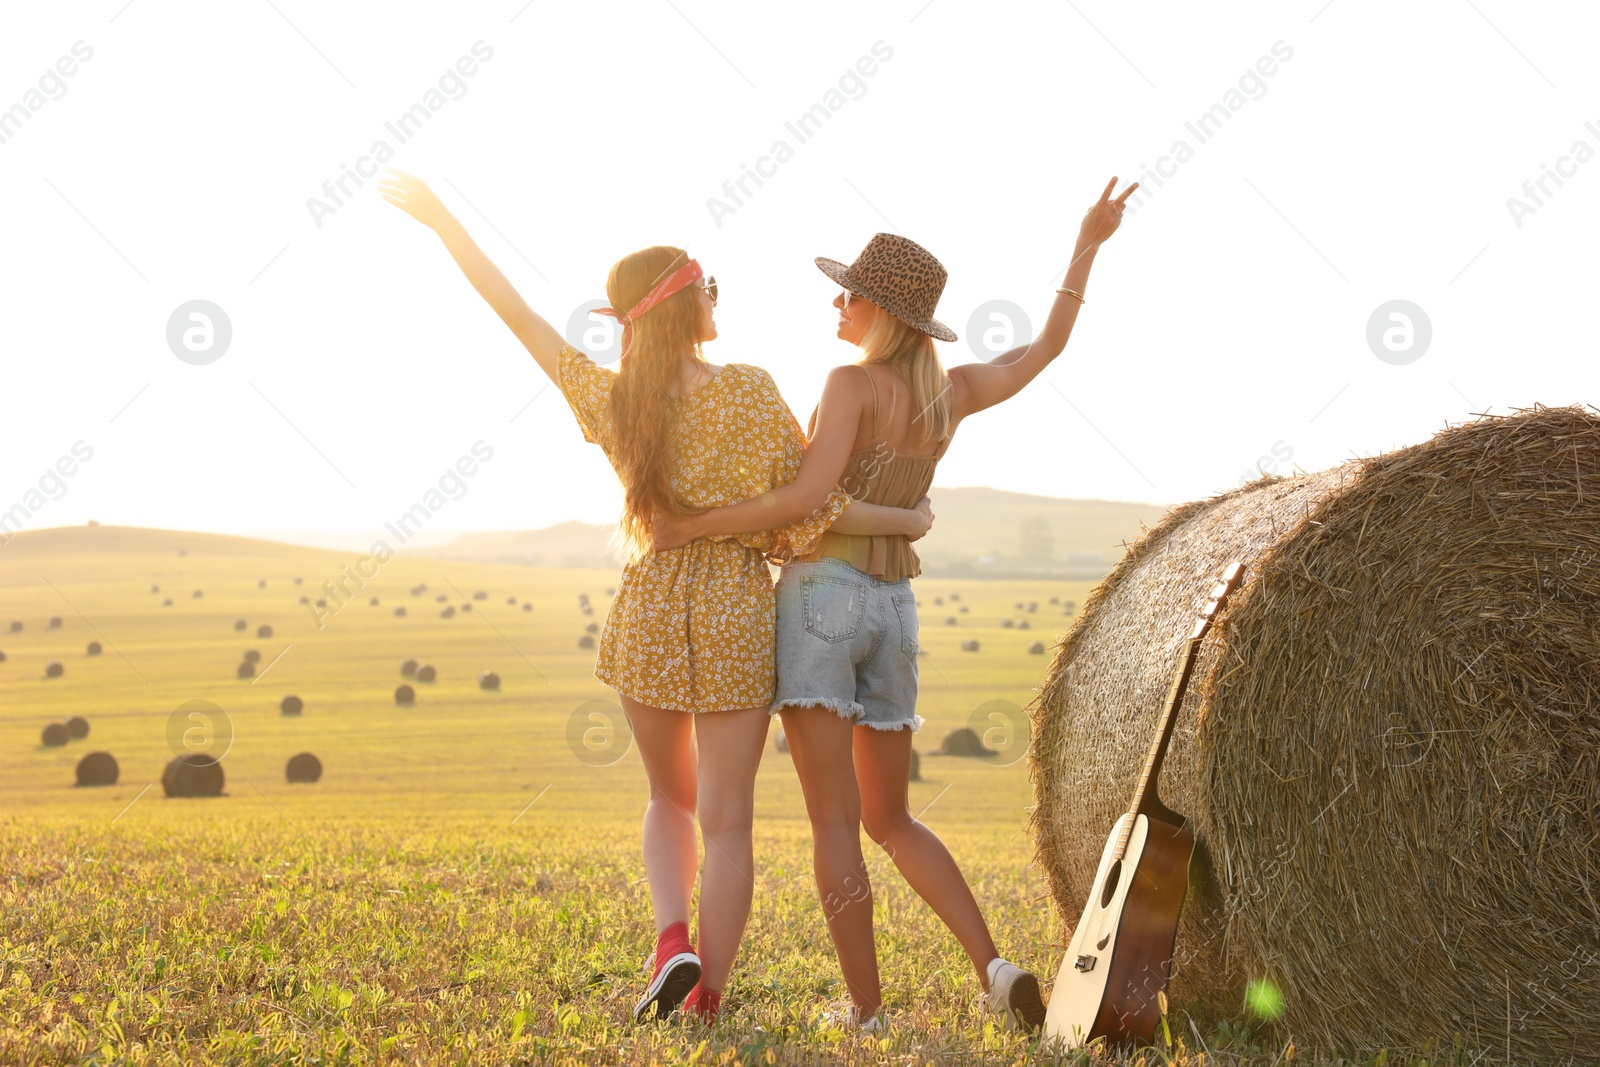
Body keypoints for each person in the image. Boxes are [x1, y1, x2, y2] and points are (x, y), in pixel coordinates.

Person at [379, 168, 933, 1025]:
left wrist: (445, 224)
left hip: (650, 606)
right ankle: (705, 992)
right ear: (688, 304)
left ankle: (672, 936)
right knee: (730, 823)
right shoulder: (750, 388)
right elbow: (812, 503)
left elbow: (514, 313)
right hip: (735, 613)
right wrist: (907, 514)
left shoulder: (616, 399)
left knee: (666, 797)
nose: (719, 298)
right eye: (710, 286)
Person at [652, 177, 1139, 1031]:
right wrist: (1086, 246)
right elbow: (1044, 351)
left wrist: (700, 523)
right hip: (895, 609)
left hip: (821, 604)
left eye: (848, 292)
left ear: (880, 309)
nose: (836, 302)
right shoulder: (949, 393)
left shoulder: (849, 386)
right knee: (894, 815)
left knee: (836, 822)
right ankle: (994, 967)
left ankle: (868, 1010)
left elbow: (807, 496)